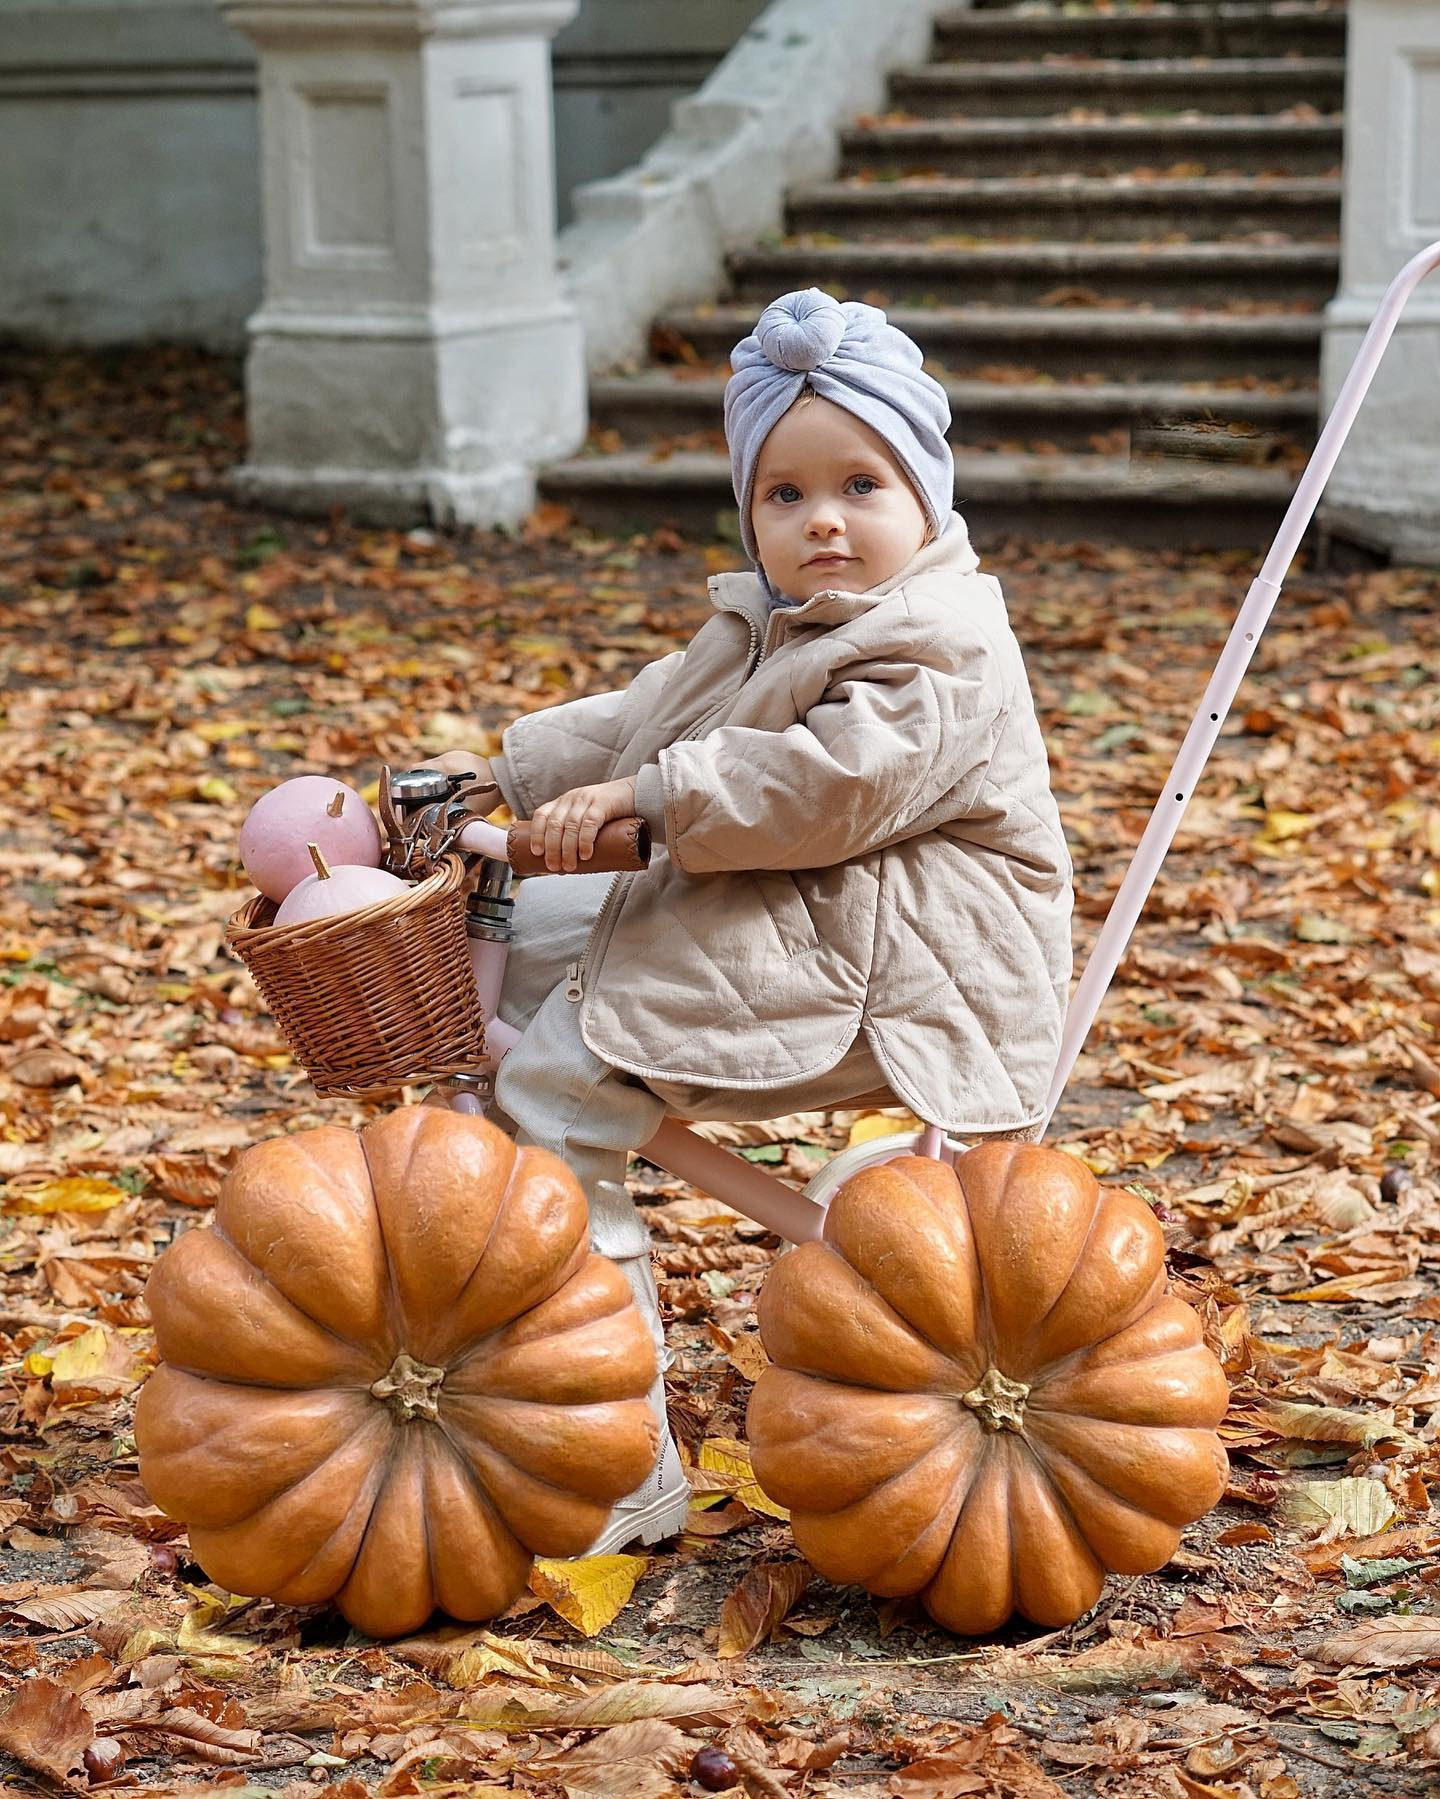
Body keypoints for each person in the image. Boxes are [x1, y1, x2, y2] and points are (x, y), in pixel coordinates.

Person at [422, 287, 1073, 1553]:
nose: (822, 517)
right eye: (784, 494)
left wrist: (652, 800)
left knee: (559, 1085)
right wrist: (497, 775)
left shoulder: (944, 646)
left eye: (861, 484)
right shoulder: (768, 623)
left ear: (926, 495)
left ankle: (611, 1453)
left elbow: (825, 786)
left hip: (916, 958)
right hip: (806, 905)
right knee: (499, 952)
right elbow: (643, 715)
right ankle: (533, 1297)